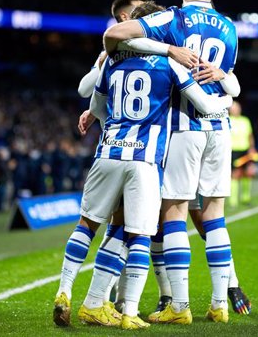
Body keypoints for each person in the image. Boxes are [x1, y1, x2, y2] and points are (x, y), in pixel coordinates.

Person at [53, 38, 231, 329]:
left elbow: (96, 105)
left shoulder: (113, 60)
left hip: (108, 153)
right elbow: (205, 103)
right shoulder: (168, 63)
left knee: (87, 224)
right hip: (143, 160)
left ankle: (66, 289)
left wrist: (95, 116)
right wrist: (227, 99)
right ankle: (129, 312)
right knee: (139, 234)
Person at [104, 0, 243, 324]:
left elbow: (120, 34)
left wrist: (163, 49)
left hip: (184, 127)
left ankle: (178, 306)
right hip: (221, 127)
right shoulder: (229, 27)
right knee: (214, 215)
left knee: (174, 213)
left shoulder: (173, 19)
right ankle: (219, 304)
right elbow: (229, 78)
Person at [229, 101, 258, 208]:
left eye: (237, 108)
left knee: (248, 173)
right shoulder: (228, 120)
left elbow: (250, 135)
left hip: (245, 150)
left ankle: (246, 198)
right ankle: (233, 202)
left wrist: (252, 148)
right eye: (233, 108)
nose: (235, 110)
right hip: (233, 150)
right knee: (235, 174)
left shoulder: (245, 120)